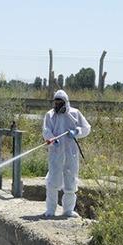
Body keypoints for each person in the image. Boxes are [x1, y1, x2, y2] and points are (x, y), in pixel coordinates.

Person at [42, 89, 91, 217]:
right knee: (53, 181)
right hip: (56, 153)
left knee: (71, 181)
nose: (57, 105)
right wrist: (52, 139)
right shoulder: (50, 115)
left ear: (65, 102)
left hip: (71, 153)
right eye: (55, 103)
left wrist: (77, 132)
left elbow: (87, 128)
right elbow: (46, 130)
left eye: (60, 103)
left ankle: (68, 210)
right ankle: (51, 210)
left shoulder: (75, 113)